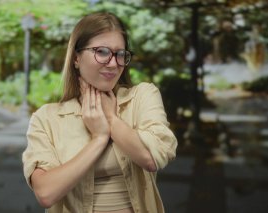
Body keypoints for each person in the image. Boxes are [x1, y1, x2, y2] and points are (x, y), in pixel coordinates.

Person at [22, 12, 177, 213]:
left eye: (120, 54)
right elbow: (45, 193)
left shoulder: (142, 96)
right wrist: (99, 138)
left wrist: (111, 119)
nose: (113, 63)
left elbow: (152, 158)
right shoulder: (47, 118)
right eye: (102, 52)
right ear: (76, 58)